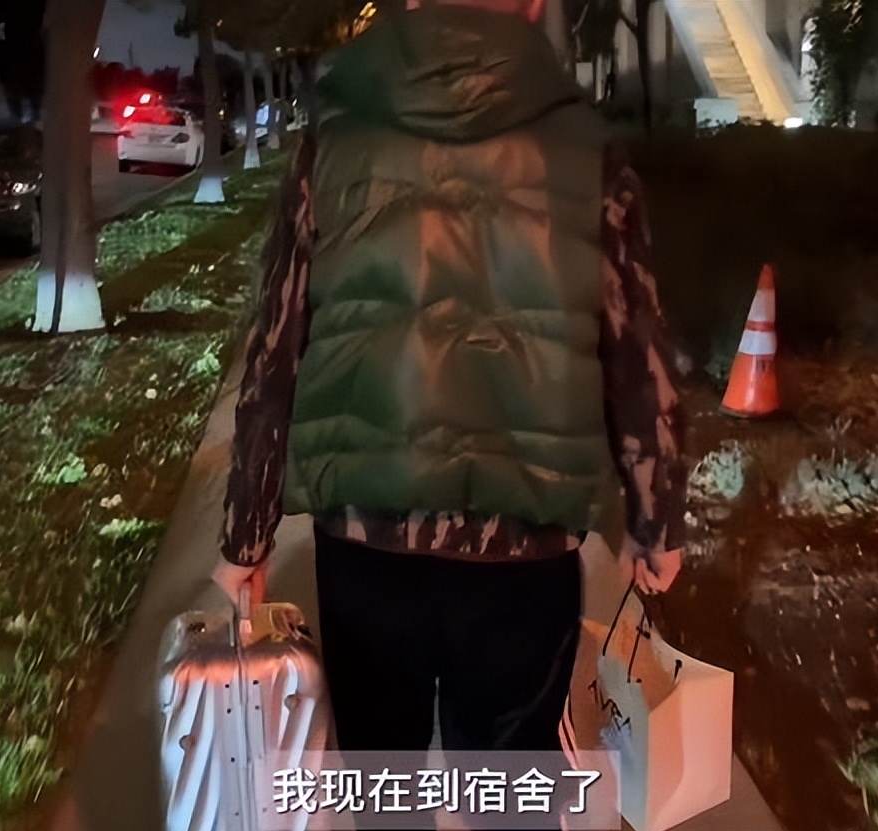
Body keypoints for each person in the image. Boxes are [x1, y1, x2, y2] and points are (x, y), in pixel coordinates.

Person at [213, 0, 686, 786]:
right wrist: (656, 517)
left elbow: (276, 346)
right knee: (512, 787)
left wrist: (246, 534)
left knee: (384, 779)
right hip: (525, 540)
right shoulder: (585, 149)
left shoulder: (337, 138)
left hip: (367, 542)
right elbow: (636, 348)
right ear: (534, 4)